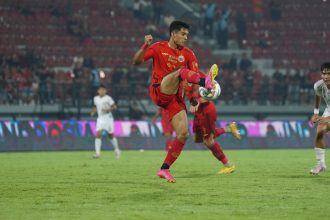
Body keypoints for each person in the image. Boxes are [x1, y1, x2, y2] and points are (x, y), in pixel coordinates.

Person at [132, 20, 217, 183]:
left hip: (174, 99)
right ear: (173, 34)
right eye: (183, 34)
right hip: (159, 90)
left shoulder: (188, 53)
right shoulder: (158, 47)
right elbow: (136, 62)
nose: (186, 38)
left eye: (187, 35)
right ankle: (205, 82)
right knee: (180, 72)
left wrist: (203, 85)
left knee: (183, 134)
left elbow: (193, 74)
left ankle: (164, 169)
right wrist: (144, 46)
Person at [183, 80, 241, 174]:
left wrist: (198, 101)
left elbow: (209, 95)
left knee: (208, 141)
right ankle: (229, 128)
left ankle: (228, 165)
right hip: (198, 113)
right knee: (197, 139)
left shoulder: (201, 82)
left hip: (206, 113)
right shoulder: (189, 80)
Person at [310, 62, 330, 175]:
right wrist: (316, 113)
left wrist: (327, 118)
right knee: (319, 132)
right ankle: (321, 164)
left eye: (329, 74)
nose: (326, 76)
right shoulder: (319, 85)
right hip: (328, 110)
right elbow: (318, 96)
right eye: (324, 74)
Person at [90, 85, 121, 159]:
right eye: (100, 90)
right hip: (100, 118)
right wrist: (93, 111)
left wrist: (108, 110)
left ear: (105, 91)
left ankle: (117, 149)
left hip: (108, 118)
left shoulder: (108, 98)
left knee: (110, 135)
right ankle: (97, 153)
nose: (101, 91)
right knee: (98, 134)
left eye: (103, 90)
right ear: (98, 91)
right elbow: (95, 106)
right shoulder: (96, 98)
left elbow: (114, 107)